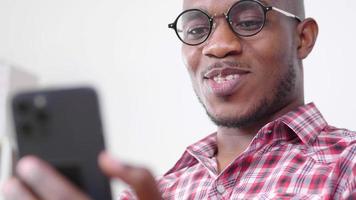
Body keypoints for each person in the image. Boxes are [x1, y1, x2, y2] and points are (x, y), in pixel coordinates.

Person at [2, 0, 355, 199]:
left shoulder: (347, 167)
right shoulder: (150, 194)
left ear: (303, 38)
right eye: (197, 29)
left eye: (249, 20)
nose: (217, 46)